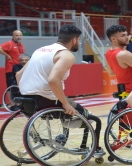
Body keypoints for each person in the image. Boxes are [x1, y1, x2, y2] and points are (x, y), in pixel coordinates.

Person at [16, 24, 105, 155]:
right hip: (47, 101)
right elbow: (53, 80)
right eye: (79, 40)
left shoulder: (40, 50)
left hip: (27, 101)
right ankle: (92, 149)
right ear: (74, 39)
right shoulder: (66, 55)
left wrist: (27, 94)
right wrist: (65, 103)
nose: (79, 43)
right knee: (92, 118)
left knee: (70, 109)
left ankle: (63, 134)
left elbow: (19, 75)